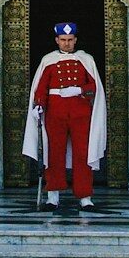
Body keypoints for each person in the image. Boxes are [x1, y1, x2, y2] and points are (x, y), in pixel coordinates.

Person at [22, 22, 107, 211]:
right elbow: (41, 87)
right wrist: (39, 105)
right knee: (55, 153)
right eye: (63, 40)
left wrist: (79, 89)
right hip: (56, 112)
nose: (67, 44)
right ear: (57, 40)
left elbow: (94, 88)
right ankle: (53, 196)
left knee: (82, 153)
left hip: (80, 112)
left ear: (75, 40)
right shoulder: (48, 60)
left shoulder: (85, 60)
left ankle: (85, 196)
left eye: (70, 40)